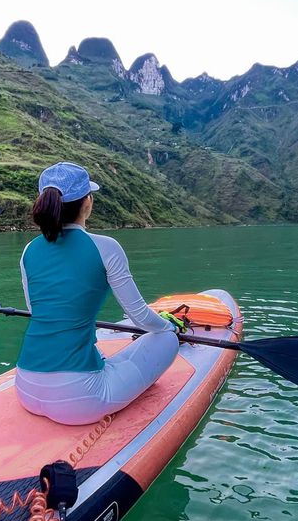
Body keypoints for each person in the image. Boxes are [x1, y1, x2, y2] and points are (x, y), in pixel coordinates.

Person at [14, 161, 184, 425]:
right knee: (165, 339)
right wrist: (170, 327)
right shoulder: (106, 247)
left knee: (103, 356)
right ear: (87, 203)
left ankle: (95, 363)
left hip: (25, 387)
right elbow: (139, 317)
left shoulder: (29, 251)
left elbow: (38, 312)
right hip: (79, 400)